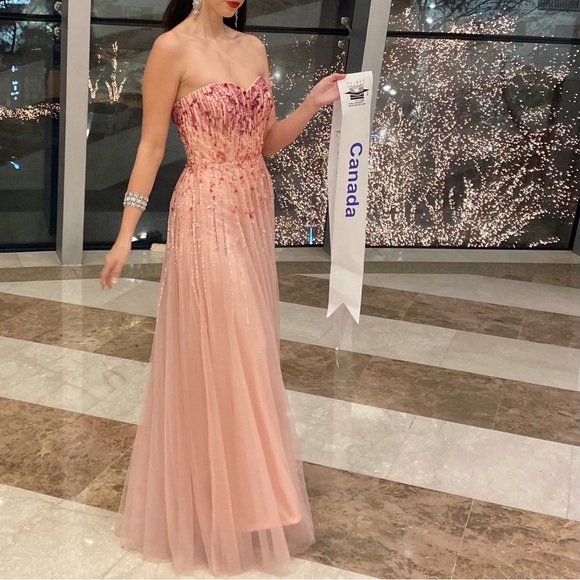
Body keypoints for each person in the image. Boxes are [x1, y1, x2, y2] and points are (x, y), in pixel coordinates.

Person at [100, 0, 345, 576]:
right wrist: (124, 234)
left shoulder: (252, 47)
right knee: (238, 346)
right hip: (205, 209)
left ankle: (244, 501)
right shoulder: (170, 49)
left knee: (248, 354)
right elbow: (151, 147)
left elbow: (267, 143)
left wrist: (311, 104)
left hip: (253, 206)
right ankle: (222, 503)